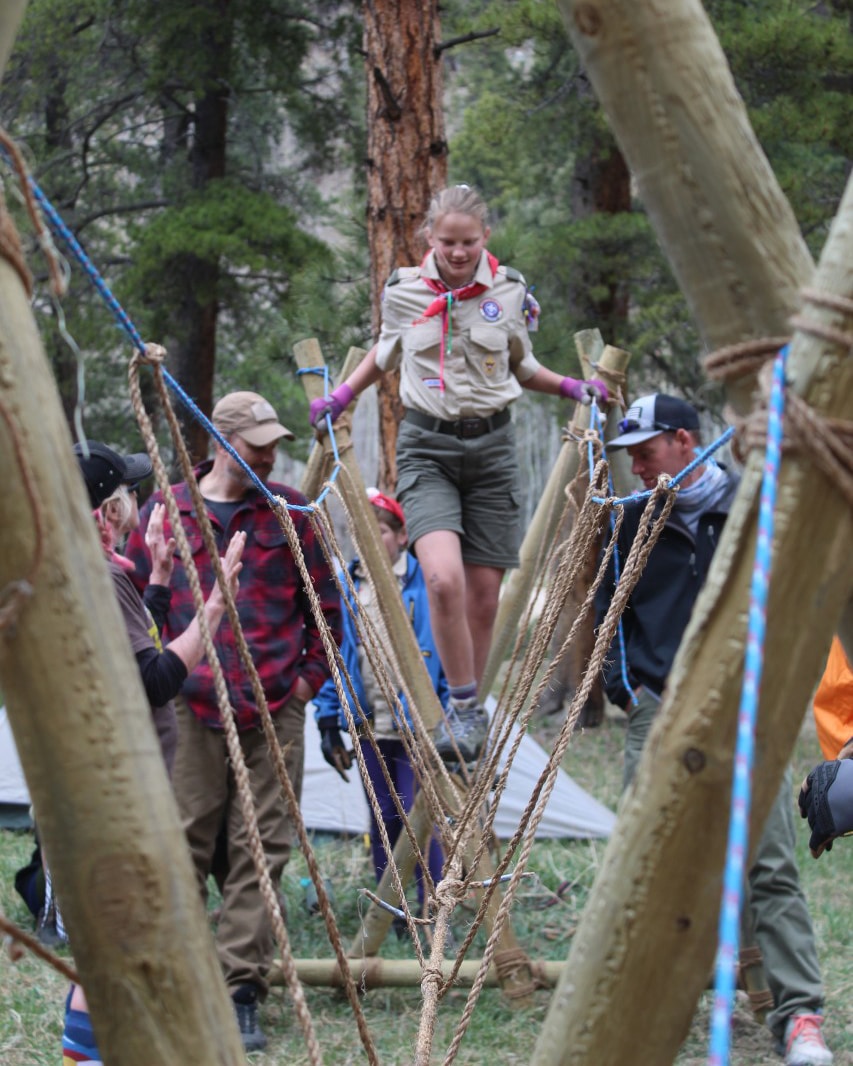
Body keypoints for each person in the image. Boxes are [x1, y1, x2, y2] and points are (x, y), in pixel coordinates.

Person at [309, 184, 608, 764]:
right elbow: (384, 351)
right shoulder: (403, 291)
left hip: (493, 449)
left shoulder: (509, 289)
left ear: (484, 238)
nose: (457, 252)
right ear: (430, 237)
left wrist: (574, 387)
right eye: (447, 241)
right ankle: (465, 708)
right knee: (442, 579)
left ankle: (470, 713)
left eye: (468, 242)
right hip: (428, 447)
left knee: (484, 594)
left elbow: (522, 366)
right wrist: (342, 395)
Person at [596, 394, 833, 1066]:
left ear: (683, 440)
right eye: (629, 455)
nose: (636, 467)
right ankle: (639, 1009)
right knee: (644, 864)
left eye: (644, 451)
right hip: (658, 710)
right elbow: (606, 612)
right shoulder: (633, 522)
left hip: (749, 711)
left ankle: (798, 1017)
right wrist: (630, 692)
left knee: (768, 864)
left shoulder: (752, 511)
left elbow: (800, 600)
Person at [125, 391, 342, 1052]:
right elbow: (139, 605)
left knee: (262, 847)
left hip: (274, 706)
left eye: (273, 445)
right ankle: (178, 979)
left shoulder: (289, 516)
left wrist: (304, 685)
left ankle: (239, 988)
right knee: (185, 838)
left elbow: (326, 612)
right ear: (221, 443)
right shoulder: (169, 510)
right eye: (255, 447)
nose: (269, 455)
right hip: (188, 705)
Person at [63, 440, 244, 1066]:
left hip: (101, 785)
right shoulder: (103, 572)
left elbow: (132, 647)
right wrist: (215, 611)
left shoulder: (94, 567)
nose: (139, 502)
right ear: (108, 510)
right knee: (112, 945)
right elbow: (154, 679)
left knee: (109, 940)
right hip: (119, 793)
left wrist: (162, 581)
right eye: (130, 492)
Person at [312, 489, 445, 916]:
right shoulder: (348, 588)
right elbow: (338, 657)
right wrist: (330, 717)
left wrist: (442, 713)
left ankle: (431, 904)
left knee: (419, 816)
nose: (372, 541)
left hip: (418, 723)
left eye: (381, 531)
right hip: (371, 722)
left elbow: (442, 654)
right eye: (363, 533)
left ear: (402, 536)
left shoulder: (425, 583)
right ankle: (392, 908)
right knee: (384, 815)